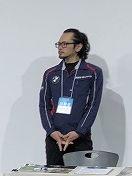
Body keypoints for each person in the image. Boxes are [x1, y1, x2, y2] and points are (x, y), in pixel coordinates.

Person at [39, 29, 104, 166]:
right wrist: (51, 131)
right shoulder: (50, 73)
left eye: (65, 44)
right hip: (55, 138)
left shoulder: (93, 72)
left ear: (78, 47)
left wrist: (79, 131)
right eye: (59, 44)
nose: (60, 47)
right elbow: (44, 105)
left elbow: (93, 105)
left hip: (80, 138)